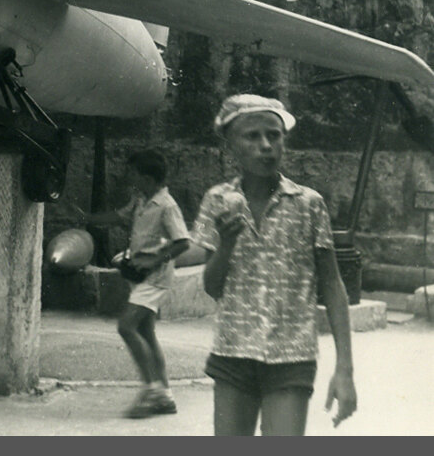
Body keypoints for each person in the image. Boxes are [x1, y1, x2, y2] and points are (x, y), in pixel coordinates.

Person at [193, 94, 357, 436]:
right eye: (252, 137)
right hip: (233, 354)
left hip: (291, 358)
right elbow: (212, 287)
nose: (266, 145)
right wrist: (226, 245)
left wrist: (344, 369)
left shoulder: (308, 204)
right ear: (231, 146)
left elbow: (332, 285)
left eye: (274, 135)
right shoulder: (217, 201)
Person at [80, 149, 190, 418]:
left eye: (135, 174)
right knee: (146, 333)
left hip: (155, 278)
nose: (130, 178)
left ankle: (152, 390)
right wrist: (87, 218)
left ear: (148, 177)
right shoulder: (141, 200)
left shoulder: (167, 206)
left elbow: (183, 243)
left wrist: (154, 260)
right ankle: (165, 394)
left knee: (126, 327)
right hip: (139, 277)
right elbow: (118, 217)